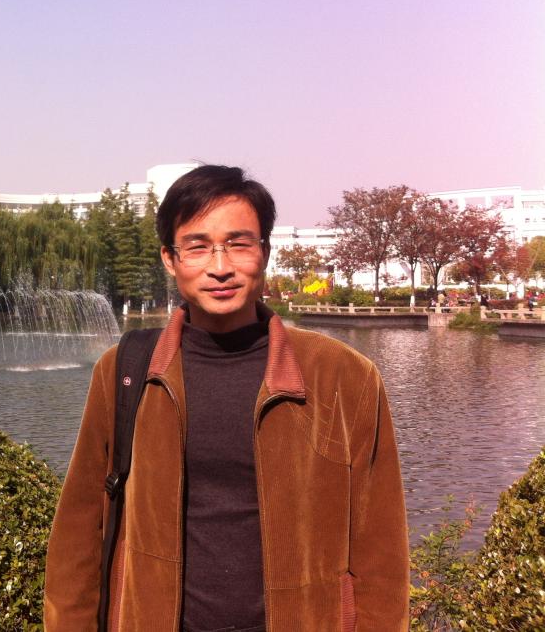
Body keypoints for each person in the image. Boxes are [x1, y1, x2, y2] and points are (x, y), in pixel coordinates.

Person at [44, 165, 409, 631]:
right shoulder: (126, 371)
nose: (220, 267)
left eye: (238, 244)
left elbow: (381, 548)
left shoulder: (343, 376)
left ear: (265, 252)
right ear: (170, 259)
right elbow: (80, 528)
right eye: (197, 247)